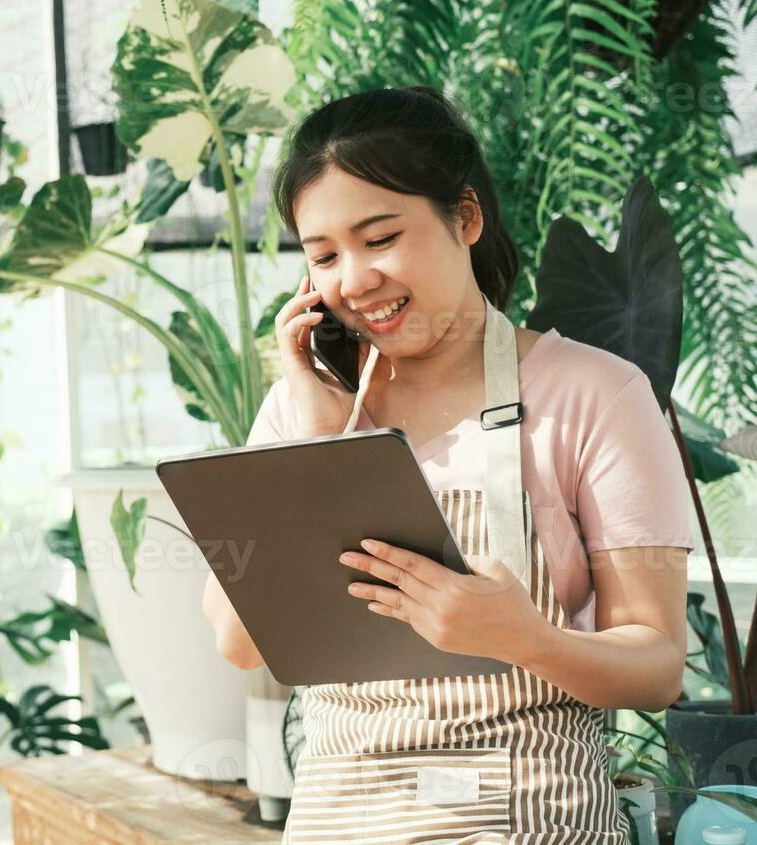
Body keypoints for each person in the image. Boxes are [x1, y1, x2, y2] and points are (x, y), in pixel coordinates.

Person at [202, 86, 693, 842]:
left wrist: (522, 636)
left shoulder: (596, 393)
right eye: (324, 255)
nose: (354, 279)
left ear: (465, 217)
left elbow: (657, 665)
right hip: (343, 818)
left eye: (380, 237)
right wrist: (321, 448)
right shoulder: (302, 409)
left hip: (527, 817)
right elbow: (240, 643)